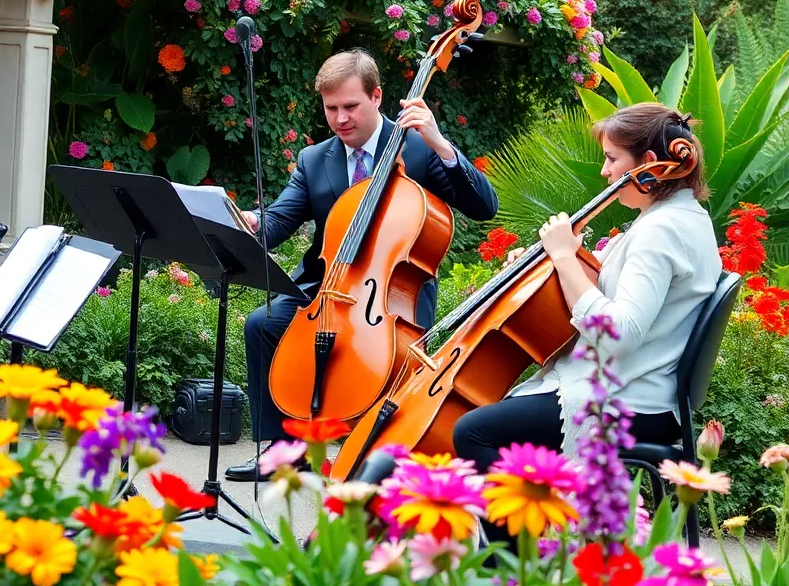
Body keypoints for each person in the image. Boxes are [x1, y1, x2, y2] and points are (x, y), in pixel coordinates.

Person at [452, 102, 722, 549]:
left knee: (475, 430)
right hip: (644, 391)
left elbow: (619, 331)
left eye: (612, 158)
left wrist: (561, 256)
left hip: (632, 401)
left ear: (650, 166)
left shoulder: (661, 232)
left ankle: (512, 565)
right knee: (492, 422)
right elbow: (616, 292)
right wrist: (554, 267)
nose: (604, 172)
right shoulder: (677, 217)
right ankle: (524, 553)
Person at [225, 49, 499, 482]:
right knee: (262, 324)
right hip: (328, 290)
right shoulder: (315, 159)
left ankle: (374, 463)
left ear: (377, 96)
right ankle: (282, 452)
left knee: (386, 355)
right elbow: (280, 220)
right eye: (331, 108)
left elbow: (485, 206)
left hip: (392, 297)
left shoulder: (420, 148)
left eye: (350, 106)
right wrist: (255, 221)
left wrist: (441, 143)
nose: (340, 119)